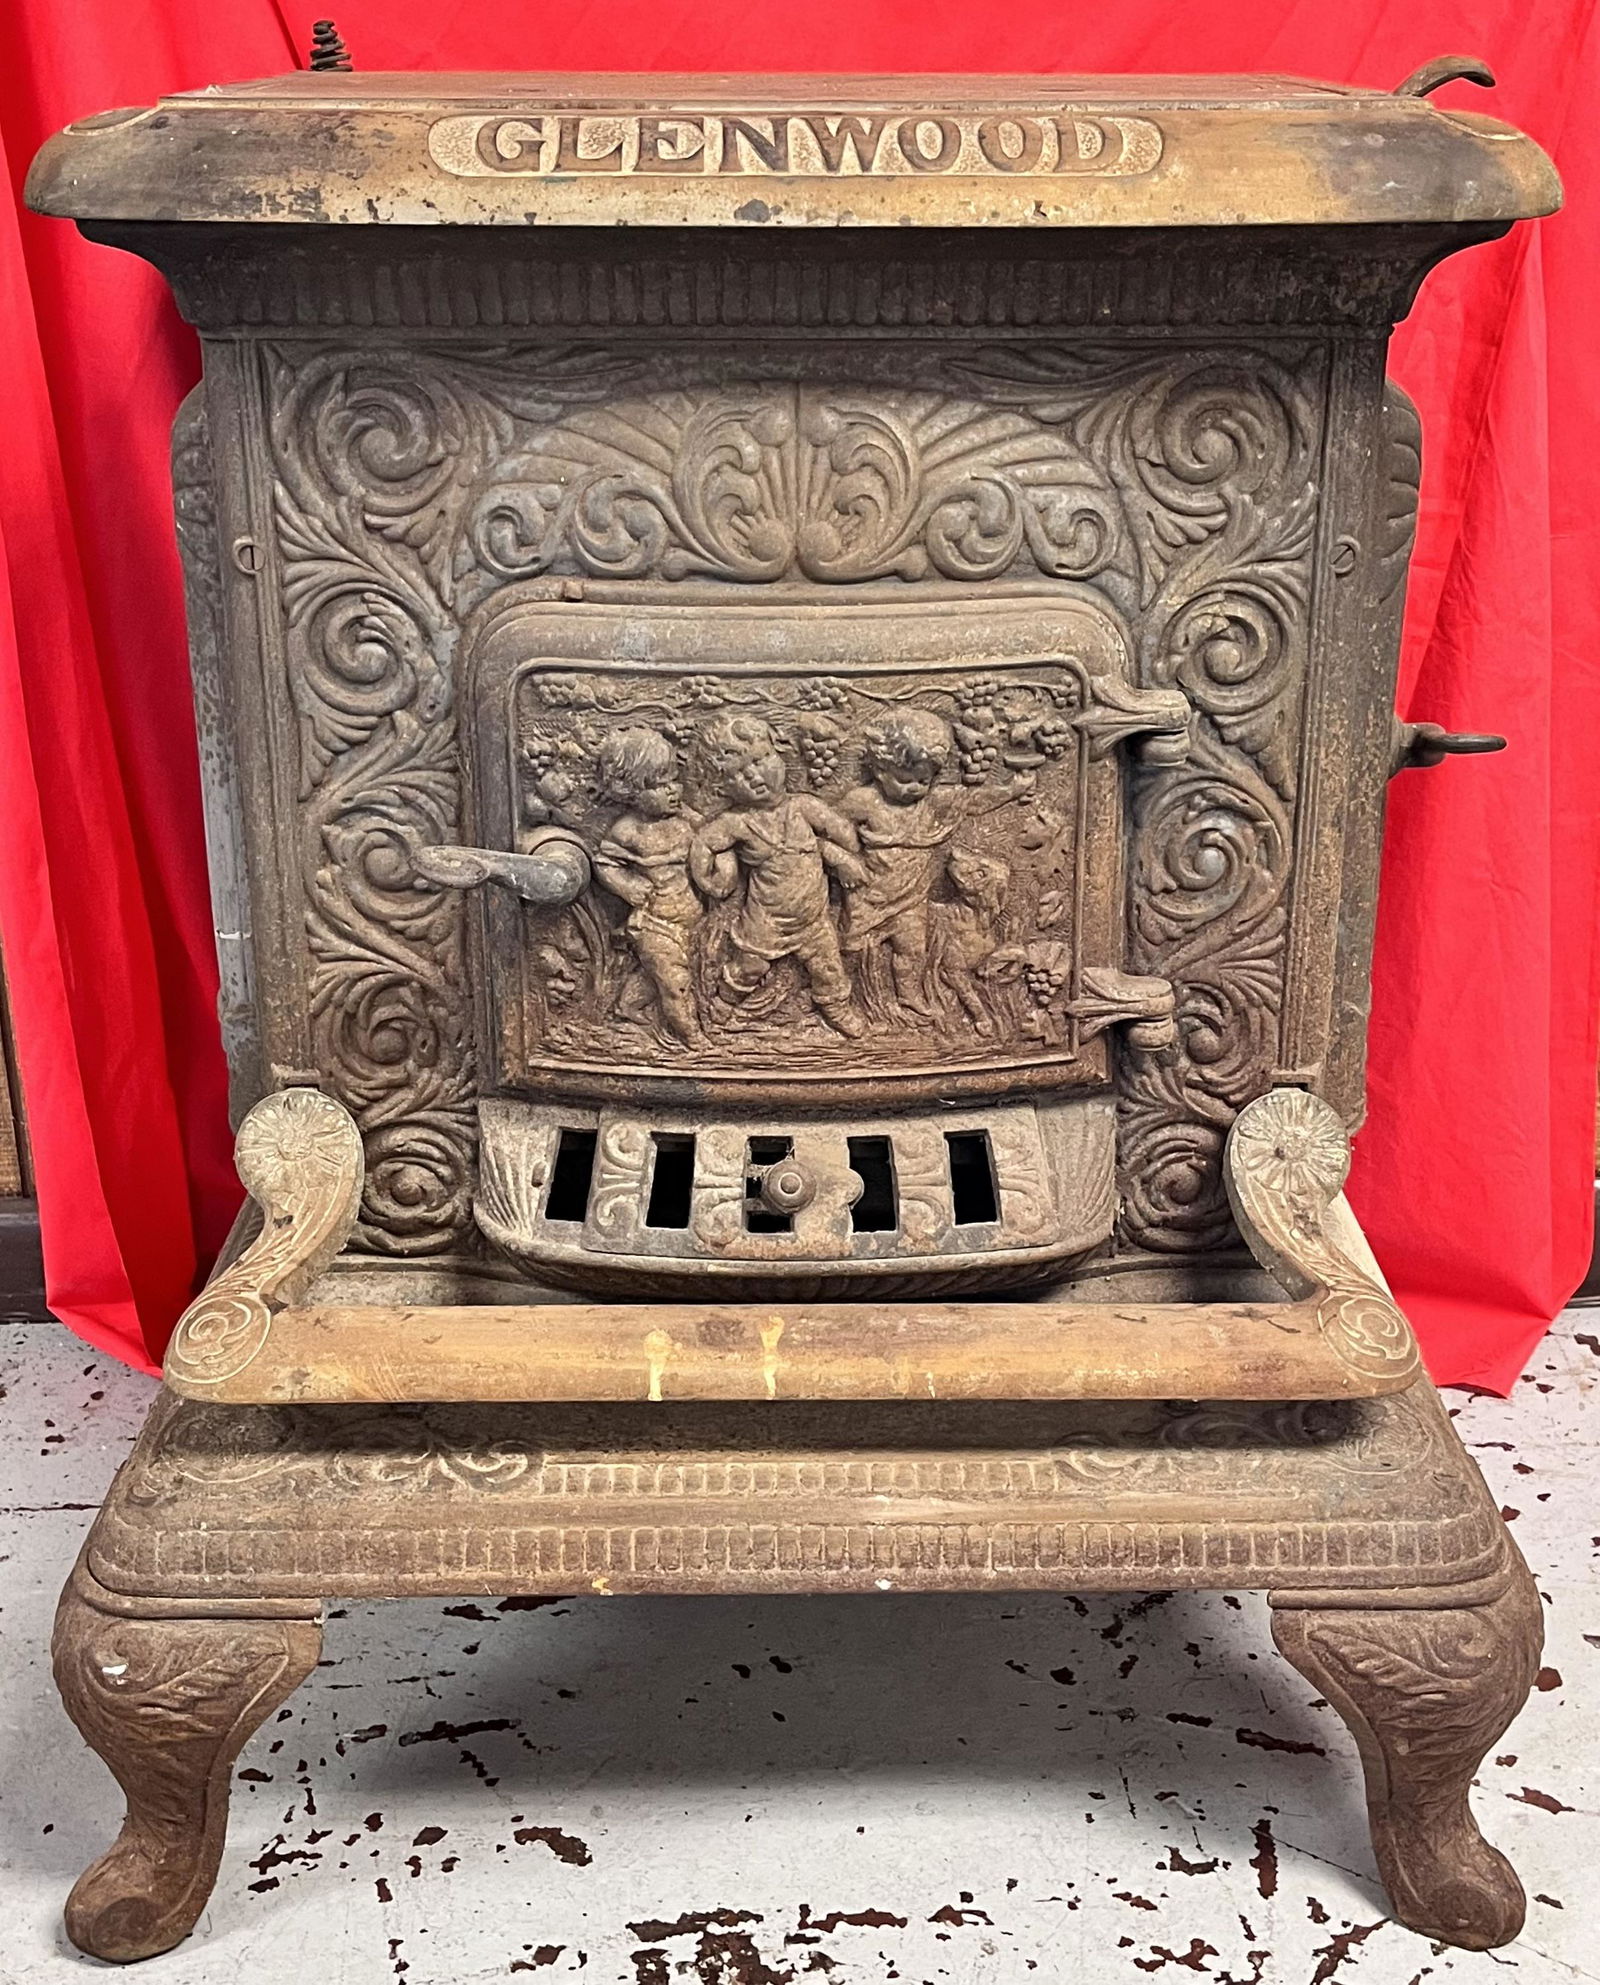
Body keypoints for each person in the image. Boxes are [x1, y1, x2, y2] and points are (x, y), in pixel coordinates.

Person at [690, 713, 867, 1039]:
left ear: (779, 755)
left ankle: (837, 1008)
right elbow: (704, 845)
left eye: (760, 760)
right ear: (724, 787)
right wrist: (715, 878)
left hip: (812, 920)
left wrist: (838, 855)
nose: (754, 776)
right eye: (739, 773)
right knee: (750, 967)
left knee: (828, 968)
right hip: (766, 922)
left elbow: (844, 835)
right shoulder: (738, 823)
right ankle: (723, 1003)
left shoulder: (803, 807)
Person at [838, 707, 959, 1017]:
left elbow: (973, 801)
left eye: (923, 780)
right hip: (869, 893)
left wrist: (1013, 790)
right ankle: (844, 1000)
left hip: (911, 897)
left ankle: (908, 995)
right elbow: (826, 831)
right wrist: (842, 861)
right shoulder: (863, 801)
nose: (914, 788)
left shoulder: (931, 801)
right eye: (904, 780)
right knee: (851, 949)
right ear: (880, 769)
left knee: (913, 948)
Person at [590, 726, 703, 1044]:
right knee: (675, 982)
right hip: (655, 922)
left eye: (674, 780)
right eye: (659, 785)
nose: (673, 790)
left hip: (690, 920)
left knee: (657, 975)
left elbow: (712, 840)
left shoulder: (686, 820)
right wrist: (627, 886)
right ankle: (694, 1039)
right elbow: (605, 863)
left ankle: (626, 1009)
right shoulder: (628, 832)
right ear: (631, 791)